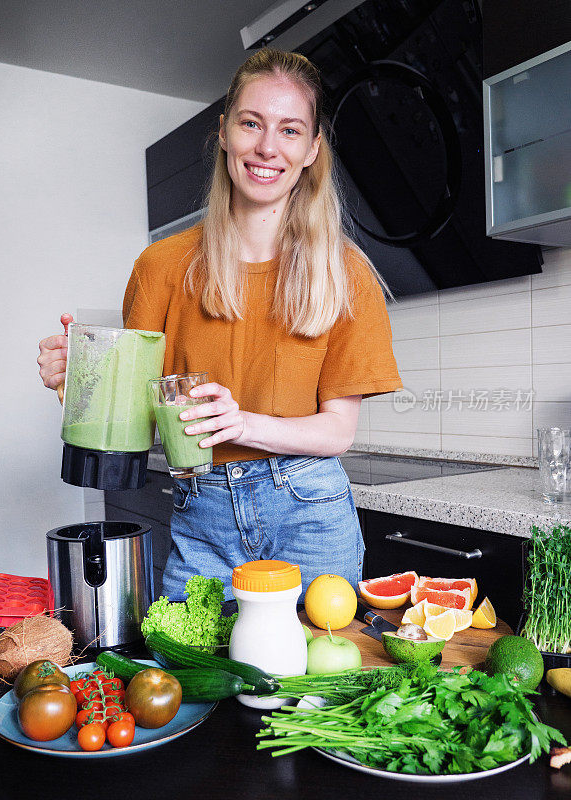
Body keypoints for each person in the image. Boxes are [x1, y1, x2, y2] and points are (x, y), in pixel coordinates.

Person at [38, 49, 402, 600]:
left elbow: (338, 433)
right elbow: (137, 424)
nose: (266, 147)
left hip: (310, 515)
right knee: (196, 681)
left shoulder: (344, 273)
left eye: (290, 130)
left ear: (311, 151)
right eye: (251, 123)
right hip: (201, 511)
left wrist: (242, 424)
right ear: (225, 134)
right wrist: (76, 389)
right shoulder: (161, 266)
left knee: (318, 684)